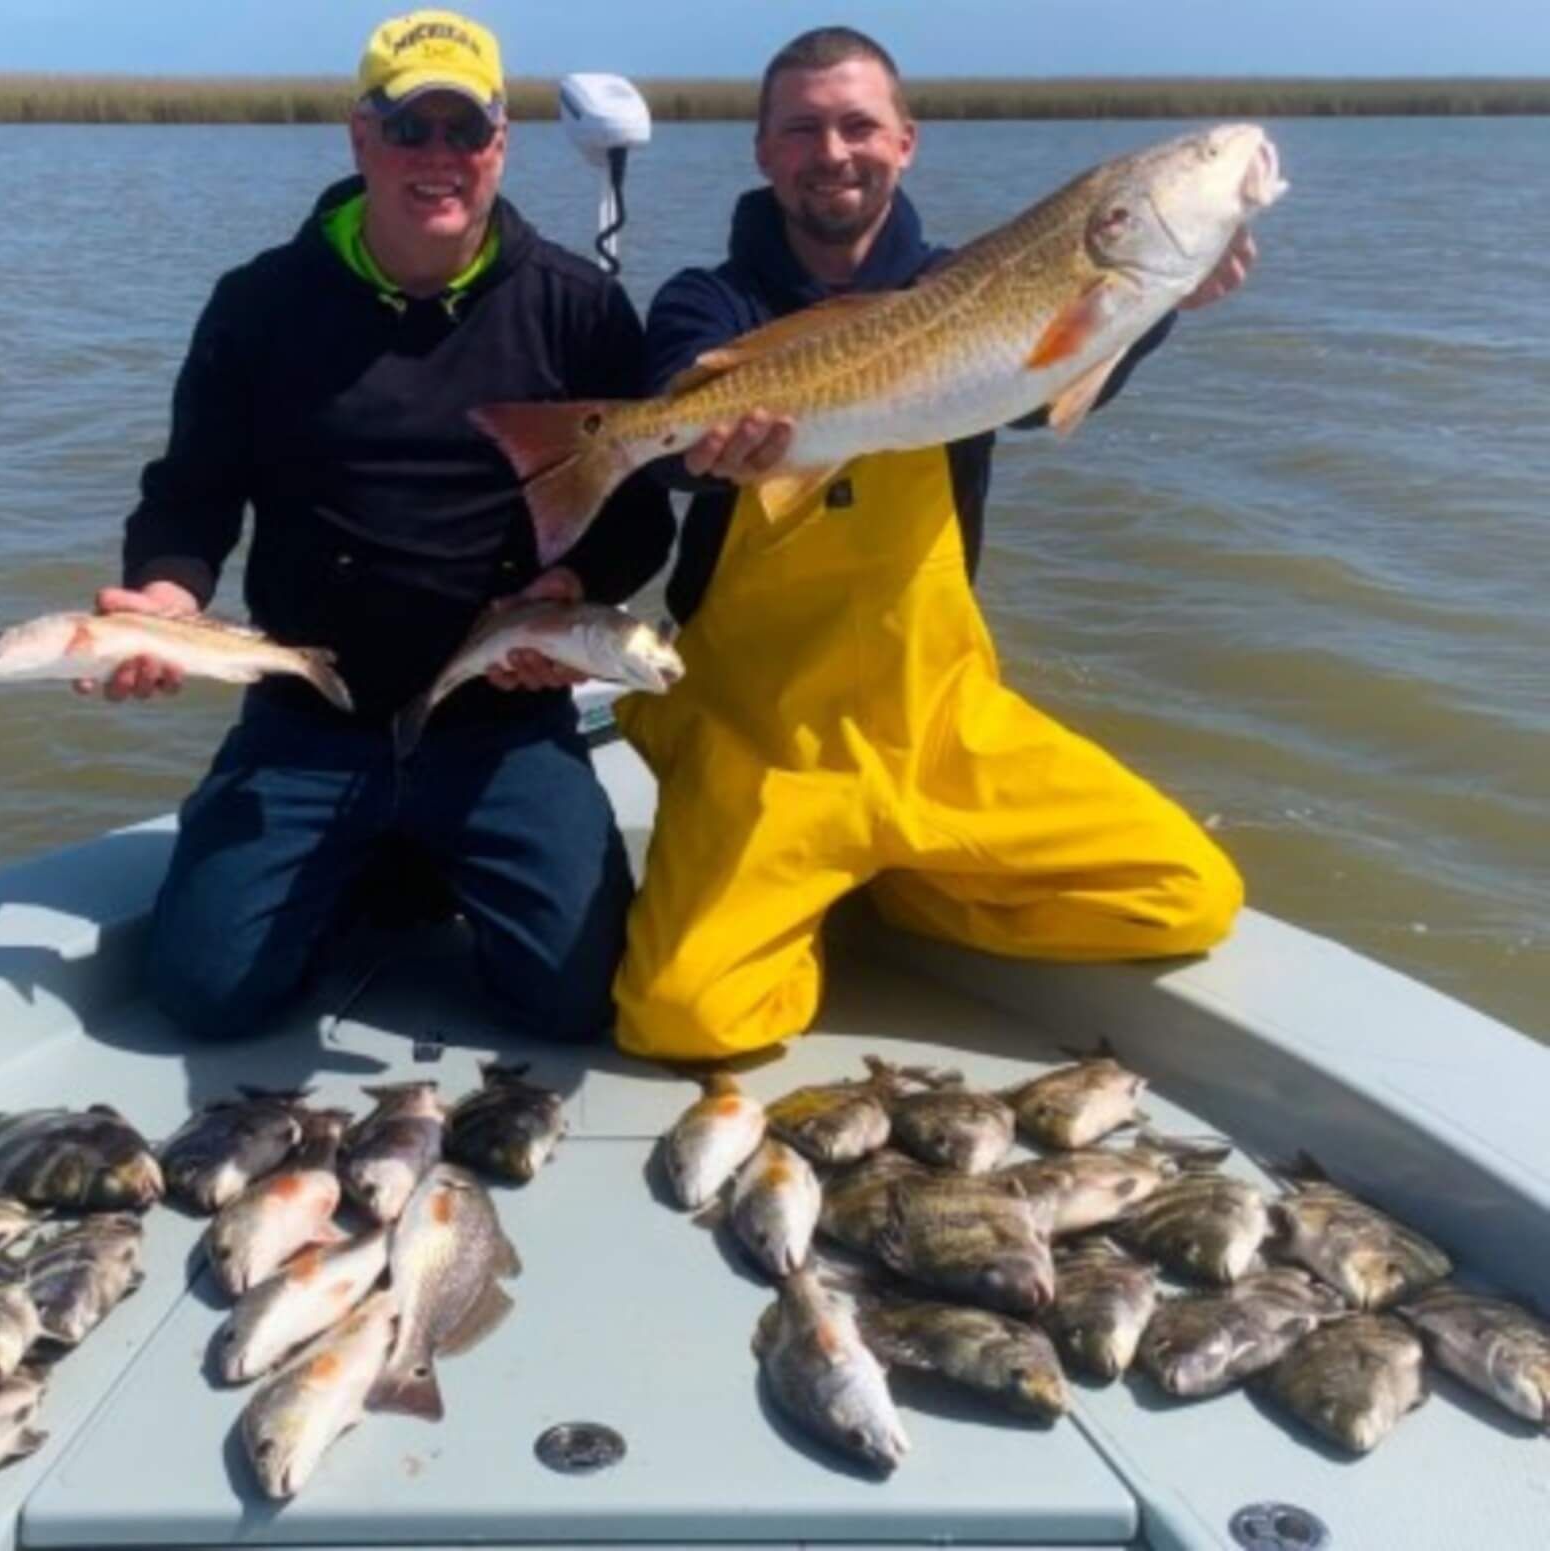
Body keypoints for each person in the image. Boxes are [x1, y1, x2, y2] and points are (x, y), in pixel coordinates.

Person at [613, 27, 1251, 1061]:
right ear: (764, 152)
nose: (834, 152)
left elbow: (1042, 394)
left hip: (939, 723)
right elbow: (674, 432)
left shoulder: (977, 285)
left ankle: (896, 893)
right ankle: (804, 887)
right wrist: (704, 451)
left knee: (1187, 894)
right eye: (804, 129)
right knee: (681, 1019)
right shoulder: (713, 301)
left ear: (906, 142)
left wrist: (1157, 304)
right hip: (764, 740)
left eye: (859, 125)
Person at [97, 10, 673, 1044]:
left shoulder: (577, 310)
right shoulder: (259, 304)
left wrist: (569, 595)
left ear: (501, 143)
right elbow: (189, 493)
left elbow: (636, 520)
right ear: (360, 137)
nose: (439, 158)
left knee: (576, 1003)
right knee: (207, 995)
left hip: (500, 722)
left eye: (466, 130)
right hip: (310, 717)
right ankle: (382, 857)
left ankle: (414, 853)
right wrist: (166, 599)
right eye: (412, 130)